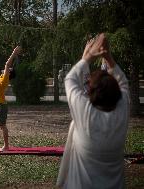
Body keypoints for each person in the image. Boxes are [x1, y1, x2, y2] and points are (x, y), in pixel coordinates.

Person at [57, 33, 130, 188]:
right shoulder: (121, 113)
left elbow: (70, 79)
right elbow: (123, 82)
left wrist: (88, 56)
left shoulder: (85, 113)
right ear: (117, 94)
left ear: (91, 93)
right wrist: (108, 58)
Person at [0, 46, 22, 152]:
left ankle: (6, 146)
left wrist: (14, 53)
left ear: (8, 74)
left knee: (3, 126)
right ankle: (6, 145)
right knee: (1, 125)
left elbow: (7, 64)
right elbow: (6, 67)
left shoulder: (4, 80)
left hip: (0, 105)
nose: (7, 69)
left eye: (8, 70)